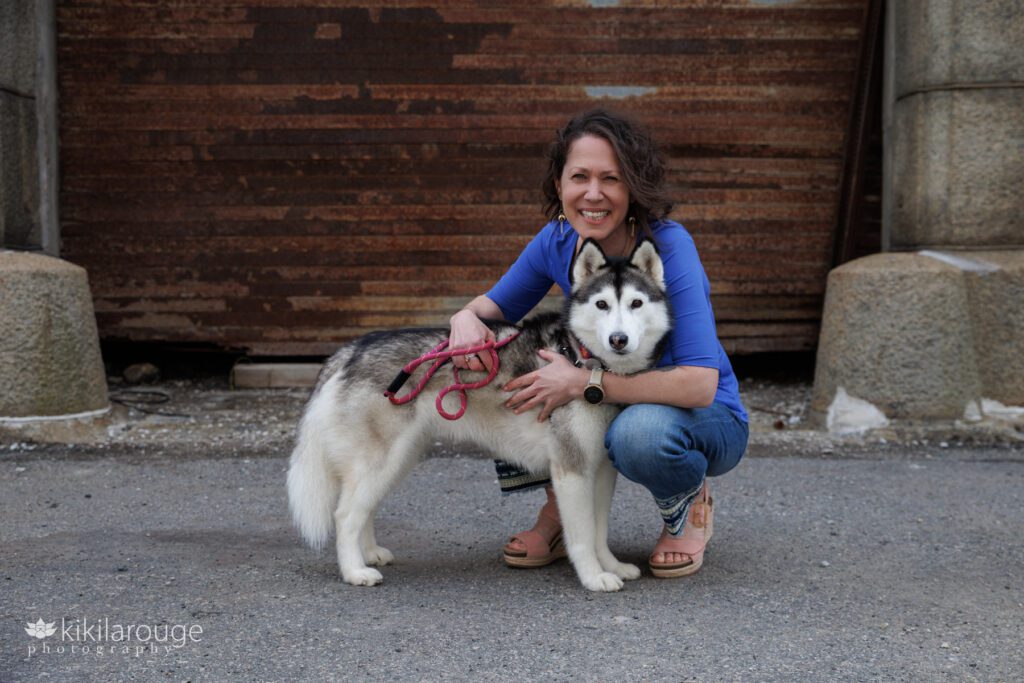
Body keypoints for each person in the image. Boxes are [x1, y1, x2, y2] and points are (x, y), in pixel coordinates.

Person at [448, 109, 748, 578]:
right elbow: (493, 307)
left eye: (611, 178)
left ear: (634, 187)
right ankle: (559, 509)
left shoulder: (667, 247)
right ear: (559, 183)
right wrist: (464, 319)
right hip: (607, 389)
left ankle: (686, 503)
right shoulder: (558, 240)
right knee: (517, 367)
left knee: (638, 435)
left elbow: (699, 385)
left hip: (702, 416)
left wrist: (585, 383)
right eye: (579, 177)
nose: (593, 193)